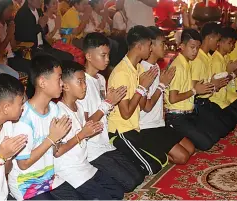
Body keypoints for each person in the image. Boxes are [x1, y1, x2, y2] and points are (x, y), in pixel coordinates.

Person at [108, 25, 185, 177]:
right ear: (139, 46)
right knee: (153, 168)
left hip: (134, 127)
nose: (151, 49)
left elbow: (143, 105)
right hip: (121, 130)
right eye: (149, 45)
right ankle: (120, 157)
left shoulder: (137, 69)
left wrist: (147, 88)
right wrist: (141, 88)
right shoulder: (122, 73)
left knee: (162, 161)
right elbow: (125, 113)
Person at [8, 54, 82, 200]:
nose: (62, 83)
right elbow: (23, 164)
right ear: (42, 82)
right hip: (27, 184)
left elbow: (55, 151)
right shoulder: (23, 118)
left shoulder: (55, 110)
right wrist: (51, 138)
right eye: (58, 78)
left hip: (49, 179)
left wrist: (57, 139)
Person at [78, 32, 144, 192]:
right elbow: (85, 124)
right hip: (92, 150)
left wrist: (111, 103)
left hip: (105, 144)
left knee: (139, 176)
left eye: (108, 55)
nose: (107, 59)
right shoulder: (80, 84)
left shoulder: (100, 79)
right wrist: (107, 103)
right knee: (128, 184)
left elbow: (105, 110)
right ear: (88, 56)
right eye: (103, 55)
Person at [54, 60, 124, 200]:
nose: (85, 86)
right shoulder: (59, 112)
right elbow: (57, 151)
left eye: (85, 81)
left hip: (84, 165)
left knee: (118, 192)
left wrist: (89, 132)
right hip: (69, 170)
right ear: (65, 86)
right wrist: (83, 134)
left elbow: (83, 133)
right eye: (80, 82)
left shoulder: (79, 108)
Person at [140, 26, 195, 164]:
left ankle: (157, 149)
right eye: (162, 44)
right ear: (150, 46)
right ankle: (147, 153)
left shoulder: (157, 66)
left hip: (159, 123)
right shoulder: (142, 70)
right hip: (146, 126)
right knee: (182, 157)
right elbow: (146, 107)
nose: (166, 47)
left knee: (190, 148)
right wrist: (162, 85)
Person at [165, 29, 218, 151]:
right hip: (175, 116)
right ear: (182, 46)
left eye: (198, 48)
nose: (195, 51)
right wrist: (195, 91)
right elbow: (173, 98)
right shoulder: (178, 67)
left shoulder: (187, 63)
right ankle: (173, 132)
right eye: (192, 47)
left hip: (189, 113)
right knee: (206, 144)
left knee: (213, 136)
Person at [190, 22, 237, 138]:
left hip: (208, 100)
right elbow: (193, 88)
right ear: (209, 38)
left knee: (230, 124)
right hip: (198, 104)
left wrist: (216, 84)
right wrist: (213, 85)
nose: (218, 43)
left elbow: (212, 82)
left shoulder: (208, 57)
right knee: (217, 134)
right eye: (217, 40)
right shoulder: (198, 59)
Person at [209, 27, 237, 123]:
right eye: (230, 43)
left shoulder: (226, 56)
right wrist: (234, 72)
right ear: (220, 43)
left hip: (230, 91)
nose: (232, 46)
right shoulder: (216, 60)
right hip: (220, 97)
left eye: (233, 43)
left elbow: (230, 81)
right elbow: (220, 84)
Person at [0, 0, 32, 75]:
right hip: (5, 59)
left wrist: (12, 32)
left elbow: (13, 46)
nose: (11, 13)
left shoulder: (6, 24)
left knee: (32, 64)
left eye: (12, 10)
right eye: (9, 10)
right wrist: (9, 34)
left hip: (12, 56)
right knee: (29, 67)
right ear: (2, 10)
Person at [44, 0, 85, 65]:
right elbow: (46, 38)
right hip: (52, 44)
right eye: (53, 4)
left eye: (56, 3)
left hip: (61, 41)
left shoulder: (55, 17)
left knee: (80, 53)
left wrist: (68, 31)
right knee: (76, 55)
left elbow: (60, 32)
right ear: (47, 5)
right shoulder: (44, 18)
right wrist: (56, 27)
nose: (56, 6)